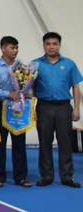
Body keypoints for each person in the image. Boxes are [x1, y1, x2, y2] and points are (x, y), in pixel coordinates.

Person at [34, 32, 81, 188]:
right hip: (44, 106)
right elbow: (29, 87)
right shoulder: (35, 64)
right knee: (45, 142)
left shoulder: (69, 64)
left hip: (63, 107)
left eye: (54, 44)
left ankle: (67, 176)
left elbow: (75, 86)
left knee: (65, 142)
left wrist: (76, 110)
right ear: (44, 46)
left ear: (59, 45)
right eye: (48, 43)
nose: (51, 46)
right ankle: (46, 176)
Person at [0, 36, 31, 188]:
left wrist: (26, 94)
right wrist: (8, 94)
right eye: (12, 48)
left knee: (20, 143)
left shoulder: (23, 67)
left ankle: (21, 177)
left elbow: (29, 85)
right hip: (1, 106)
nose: (15, 51)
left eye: (16, 48)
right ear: (3, 48)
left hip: (19, 108)